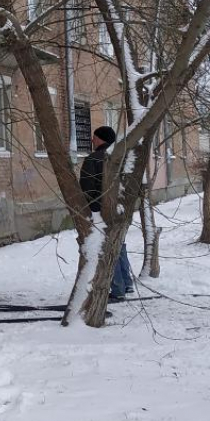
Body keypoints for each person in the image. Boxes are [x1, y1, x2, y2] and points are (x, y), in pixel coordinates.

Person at [79, 125, 134, 300]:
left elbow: (87, 187)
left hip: (102, 211)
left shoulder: (94, 159)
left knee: (108, 248)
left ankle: (117, 289)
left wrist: (93, 211)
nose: (92, 140)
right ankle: (127, 283)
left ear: (101, 139)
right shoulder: (122, 157)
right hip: (121, 208)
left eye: (94, 137)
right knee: (119, 245)